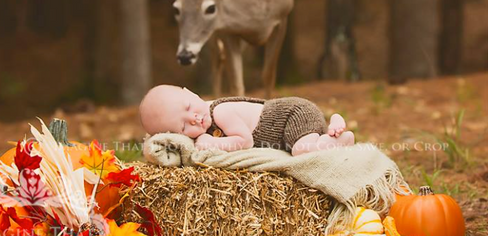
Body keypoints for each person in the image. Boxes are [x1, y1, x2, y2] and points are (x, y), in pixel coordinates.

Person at [139, 85, 355, 156]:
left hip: (293, 115)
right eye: (184, 126)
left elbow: (245, 141)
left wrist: (215, 143)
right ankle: (328, 132)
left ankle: (340, 138)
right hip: (286, 129)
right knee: (300, 145)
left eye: (188, 108)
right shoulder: (204, 120)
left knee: (301, 150)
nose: (194, 119)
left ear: (192, 93)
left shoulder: (219, 112)